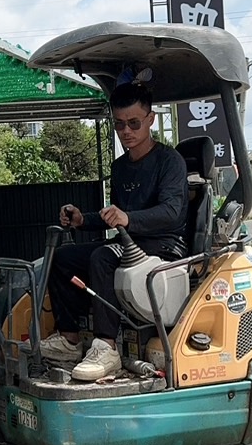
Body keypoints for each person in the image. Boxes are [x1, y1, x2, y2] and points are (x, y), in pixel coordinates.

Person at [42, 81, 189, 382]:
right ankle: (69, 339)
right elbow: (116, 217)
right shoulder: (121, 167)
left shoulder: (169, 161)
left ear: (150, 119)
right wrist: (83, 219)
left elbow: (171, 212)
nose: (126, 132)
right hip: (129, 243)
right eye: (120, 124)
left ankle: (106, 346)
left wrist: (127, 219)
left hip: (163, 245)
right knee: (63, 258)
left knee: (102, 257)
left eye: (134, 123)